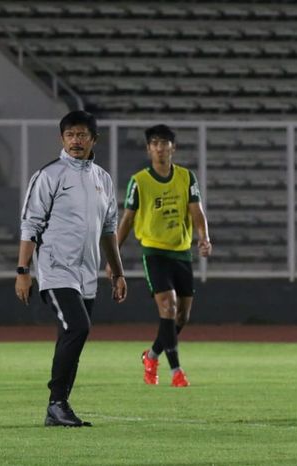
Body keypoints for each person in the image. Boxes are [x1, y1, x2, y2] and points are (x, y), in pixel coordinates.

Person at [15, 110, 127, 427]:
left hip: (87, 274)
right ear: (62, 139)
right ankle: (57, 402)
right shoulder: (49, 175)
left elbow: (109, 230)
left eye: (81, 134)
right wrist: (23, 271)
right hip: (55, 269)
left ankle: (58, 407)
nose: (76, 141)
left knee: (72, 335)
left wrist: (117, 272)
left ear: (94, 139)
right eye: (70, 135)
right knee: (78, 328)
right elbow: (30, 225)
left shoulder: (102, 179)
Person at [109, 124, 212, 387]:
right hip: (154, 251)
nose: (160, 148)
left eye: (164, 143)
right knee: (168, 306)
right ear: (148, 148)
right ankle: (176, 372)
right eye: (155, 143)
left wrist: (204, 236)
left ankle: (151, 355)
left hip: (181, 252)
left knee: (181, 317)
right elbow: (127, 219)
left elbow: (196, 211)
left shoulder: (186, 177)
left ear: (172, 148)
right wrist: (114, 257)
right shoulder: (139, 181)